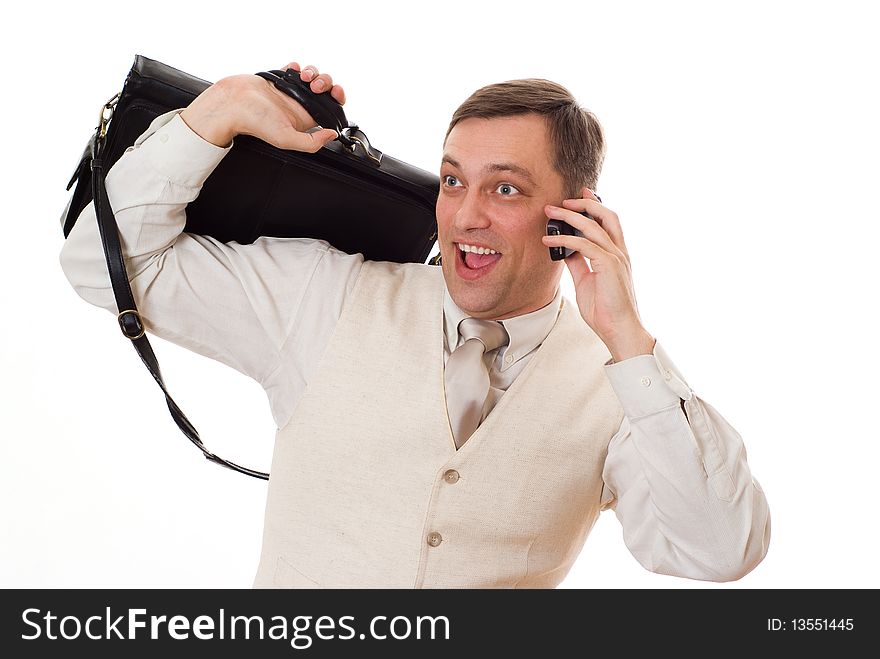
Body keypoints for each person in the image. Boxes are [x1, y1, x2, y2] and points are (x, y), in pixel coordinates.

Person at [60, 61, 770, 588]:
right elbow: (102, 263)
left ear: (574, 214)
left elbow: (720, 548)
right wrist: (217, 113)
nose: (465, 215)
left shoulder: (625, 389)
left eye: (506, 188)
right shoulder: (329, 294)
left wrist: (628, 337)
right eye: (454, 179)